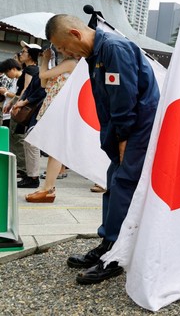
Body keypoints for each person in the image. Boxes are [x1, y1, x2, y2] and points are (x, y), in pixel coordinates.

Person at [45, 14, 159, 285]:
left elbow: (124, 98)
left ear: (74, 34)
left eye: (62, 48)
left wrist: (122, 138)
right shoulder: (94, 54)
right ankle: (108, 242)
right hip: (120, 127)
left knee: (123, 184)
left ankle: (115, 256)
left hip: (135, 126)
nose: (64, 54)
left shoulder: (113, 49)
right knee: (112, 183)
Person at [25, 47, 78, 203]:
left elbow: (42, 75)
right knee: (52, 149)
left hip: (59, 109)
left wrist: (46, 59)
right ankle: (47, 188)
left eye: (62, 46)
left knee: (55, 150)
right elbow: (43, 83)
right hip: (53, 107)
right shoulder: (65, 63)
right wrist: (46, 61)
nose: (61, 48)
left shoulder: (71, 63)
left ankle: (48, 189)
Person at [4, 42, 43, 186]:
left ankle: (30, 175)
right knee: (26, 141)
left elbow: (27, 90)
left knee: (25, 140)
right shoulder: (35, 70)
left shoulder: (32, 70)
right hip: (30, 107)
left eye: (24, 52)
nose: (21, 54)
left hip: (32, 109)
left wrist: (19, 103)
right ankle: (30, 174)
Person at [0, 58, 23, 127]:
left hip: (14, 114)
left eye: (6, 72)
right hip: (8, 113)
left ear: (13, 69)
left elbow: (20, 95)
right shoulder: (15, 79)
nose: (6, 75)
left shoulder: (22, 79)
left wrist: (5, 93)